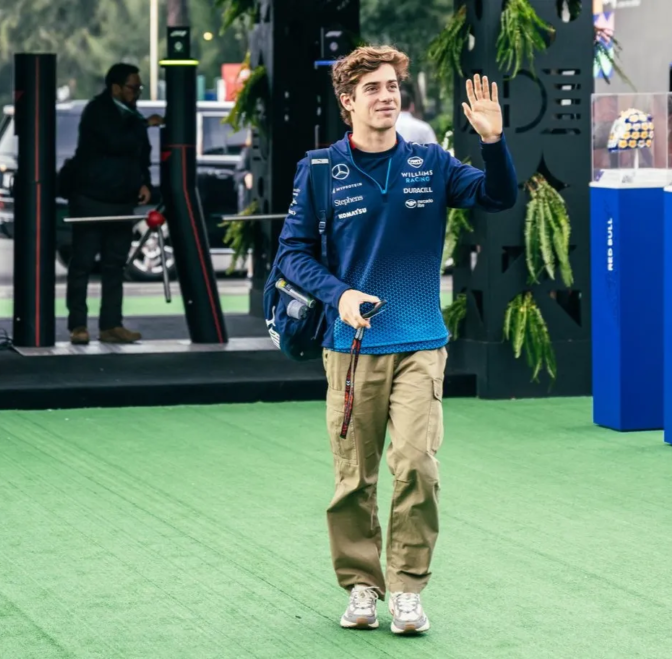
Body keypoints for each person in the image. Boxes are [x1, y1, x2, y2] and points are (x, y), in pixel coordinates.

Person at [277, 45, 518, 635]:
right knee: (354, 476)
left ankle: (407, 589)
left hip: (419, 341)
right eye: (373, 89)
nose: (387, 96)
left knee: (416, 466)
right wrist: (342, 296)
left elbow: (499, 196)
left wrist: (492, 141)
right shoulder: (319, 171)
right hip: (352, 347)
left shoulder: (430, 162)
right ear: (347, 102)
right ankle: (362, 586)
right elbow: (291, 254)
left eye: (393, 87)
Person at [65, 63, 163, 345]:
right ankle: (78, 325)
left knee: (114, 264)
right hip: (91, 199)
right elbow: (114, 141)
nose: (137, 93)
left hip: (121, 200)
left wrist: (144, 182)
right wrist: (145, 123)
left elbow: (140, 153)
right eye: (133, 87)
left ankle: (111, 324)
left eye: (139, 88)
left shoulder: (132, 114)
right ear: (115, 87)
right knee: (83, 263)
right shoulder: (98, 111)